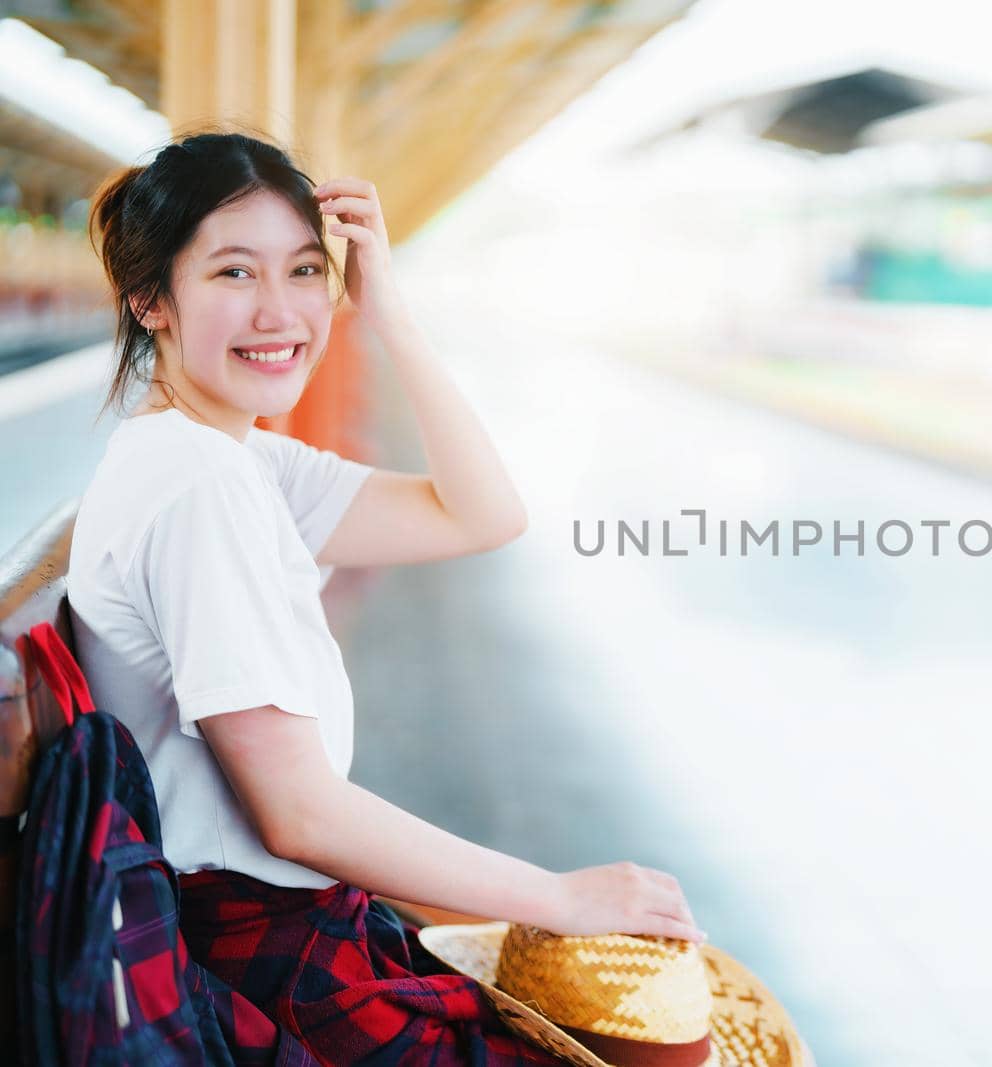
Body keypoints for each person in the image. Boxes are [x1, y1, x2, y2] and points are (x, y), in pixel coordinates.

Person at [64, 129, 705, 1064]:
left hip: (284, 927)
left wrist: (391, 315)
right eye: (234, 273)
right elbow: (300, 813)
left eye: (306, 271)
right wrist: (563, 897)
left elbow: (478, 513)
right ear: (151, 298)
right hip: (263, 955)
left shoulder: (229, 456)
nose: (280, 311)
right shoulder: (197, 484)